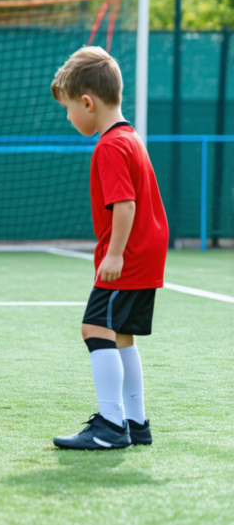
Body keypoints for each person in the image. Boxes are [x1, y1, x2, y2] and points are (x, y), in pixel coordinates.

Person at [50, 46, 167, 450]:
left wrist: (115, 253)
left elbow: (125, 204)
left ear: (88, 102)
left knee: (94, 328)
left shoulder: (109, 146)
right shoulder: (131, 138)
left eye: (69, 109)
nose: (69, 117)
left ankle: (112, 425)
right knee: (122, 337)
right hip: (146, 255)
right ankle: (136, 422)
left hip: (128, 257)